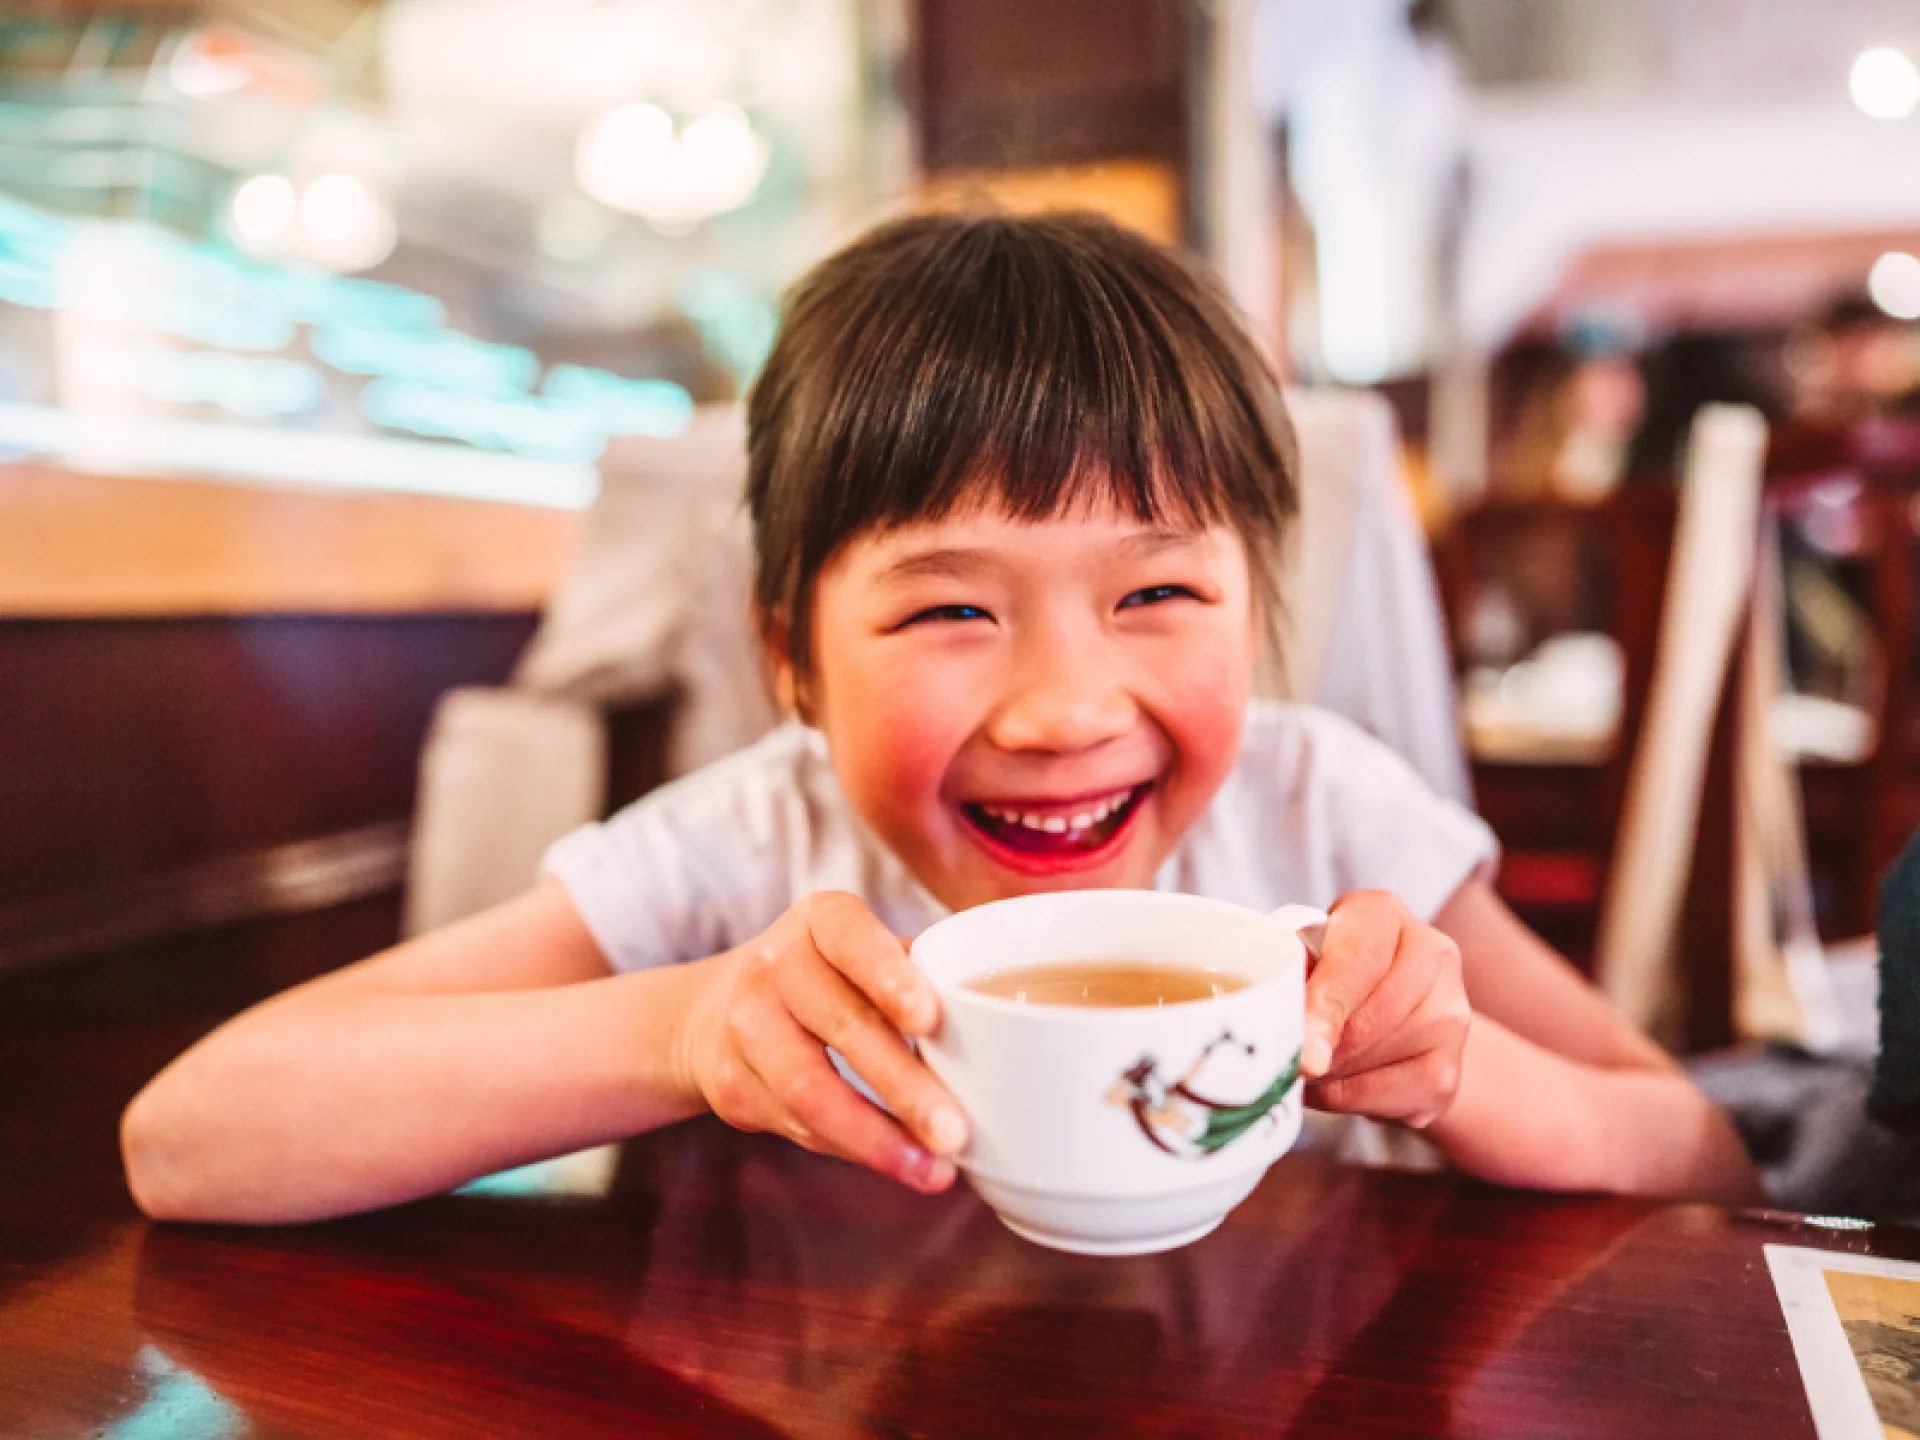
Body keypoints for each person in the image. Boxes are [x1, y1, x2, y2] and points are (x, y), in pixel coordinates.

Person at [121, 213, 1759, 1224]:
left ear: (1257, 609)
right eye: (949, 610)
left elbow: (1702, 1155)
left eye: (1157, 593)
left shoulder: (1325, 814)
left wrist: (1454, 1073)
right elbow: (191, 1137)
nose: (1065, 711)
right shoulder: (746, 849)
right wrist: (683, 1032)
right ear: (793, 659)